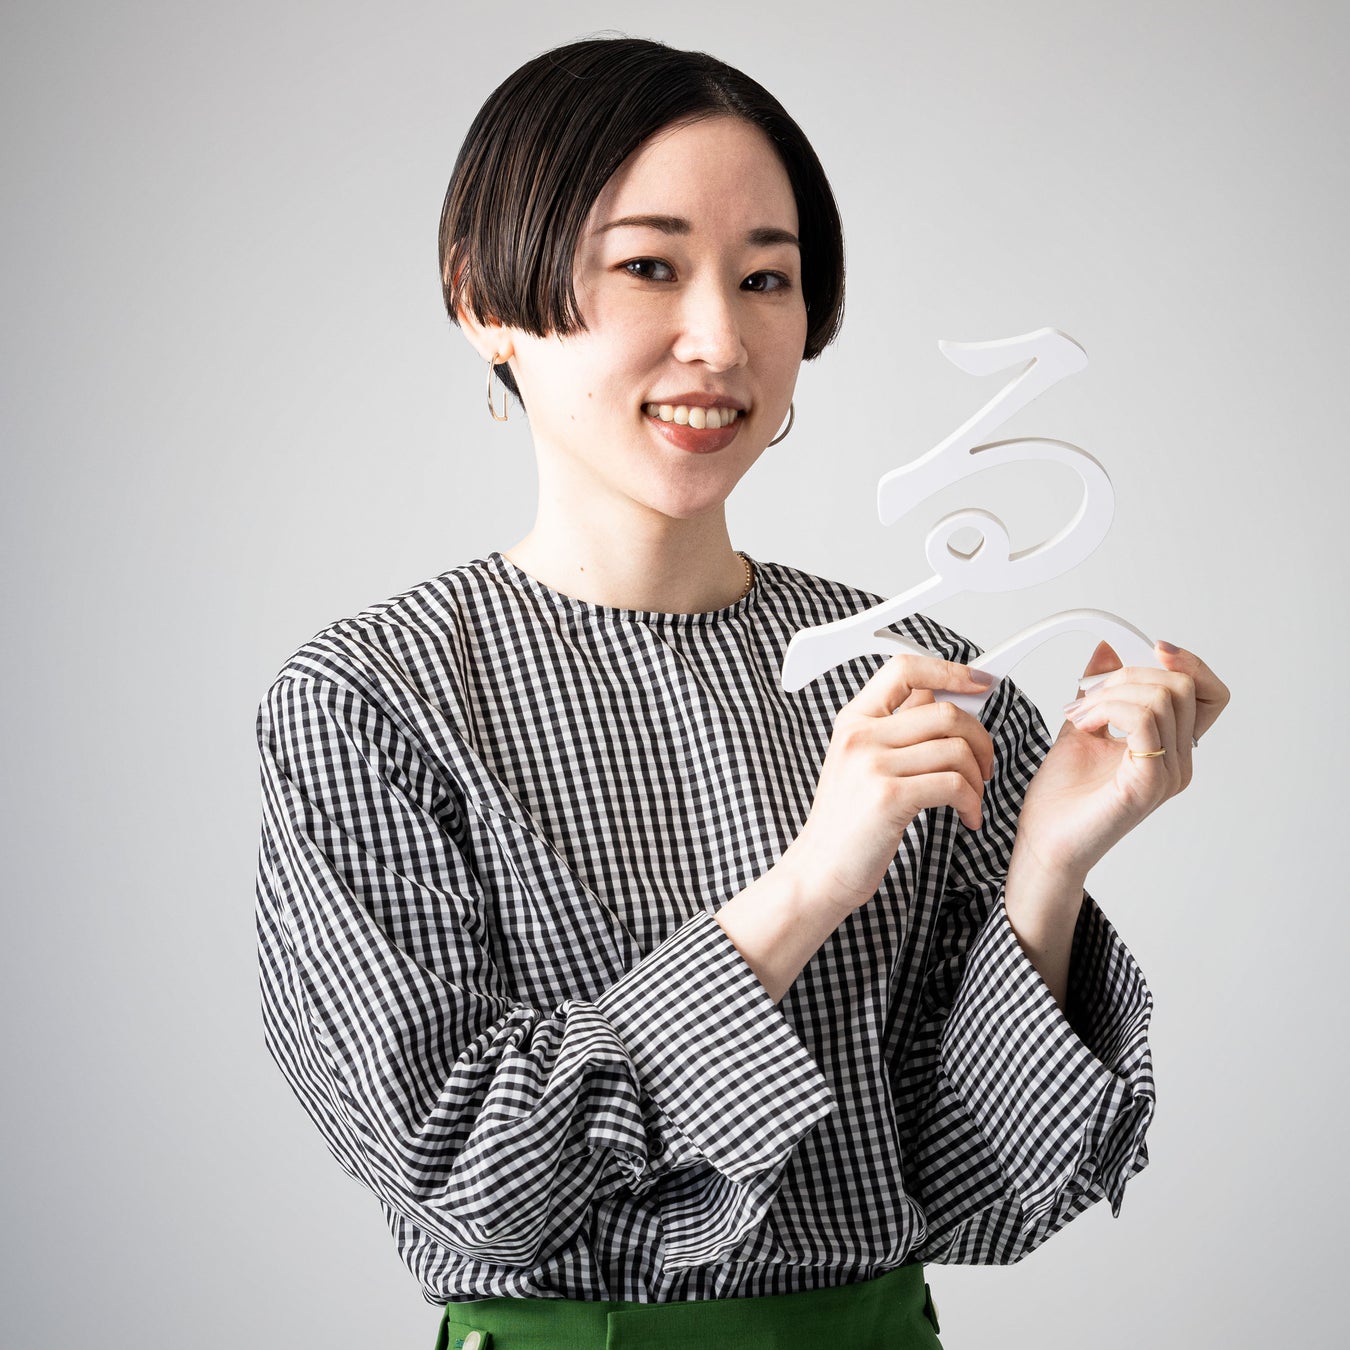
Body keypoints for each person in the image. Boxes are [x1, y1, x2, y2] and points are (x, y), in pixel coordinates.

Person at [254, 36, 1229, 1350]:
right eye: (649, 266)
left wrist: (1047, 868)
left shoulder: (910, 674)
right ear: (483, 294)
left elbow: (983, 1192)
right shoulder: (375, 698)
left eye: (765, 278)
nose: (719, 340)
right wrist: (808, 886)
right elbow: (474, 1178)